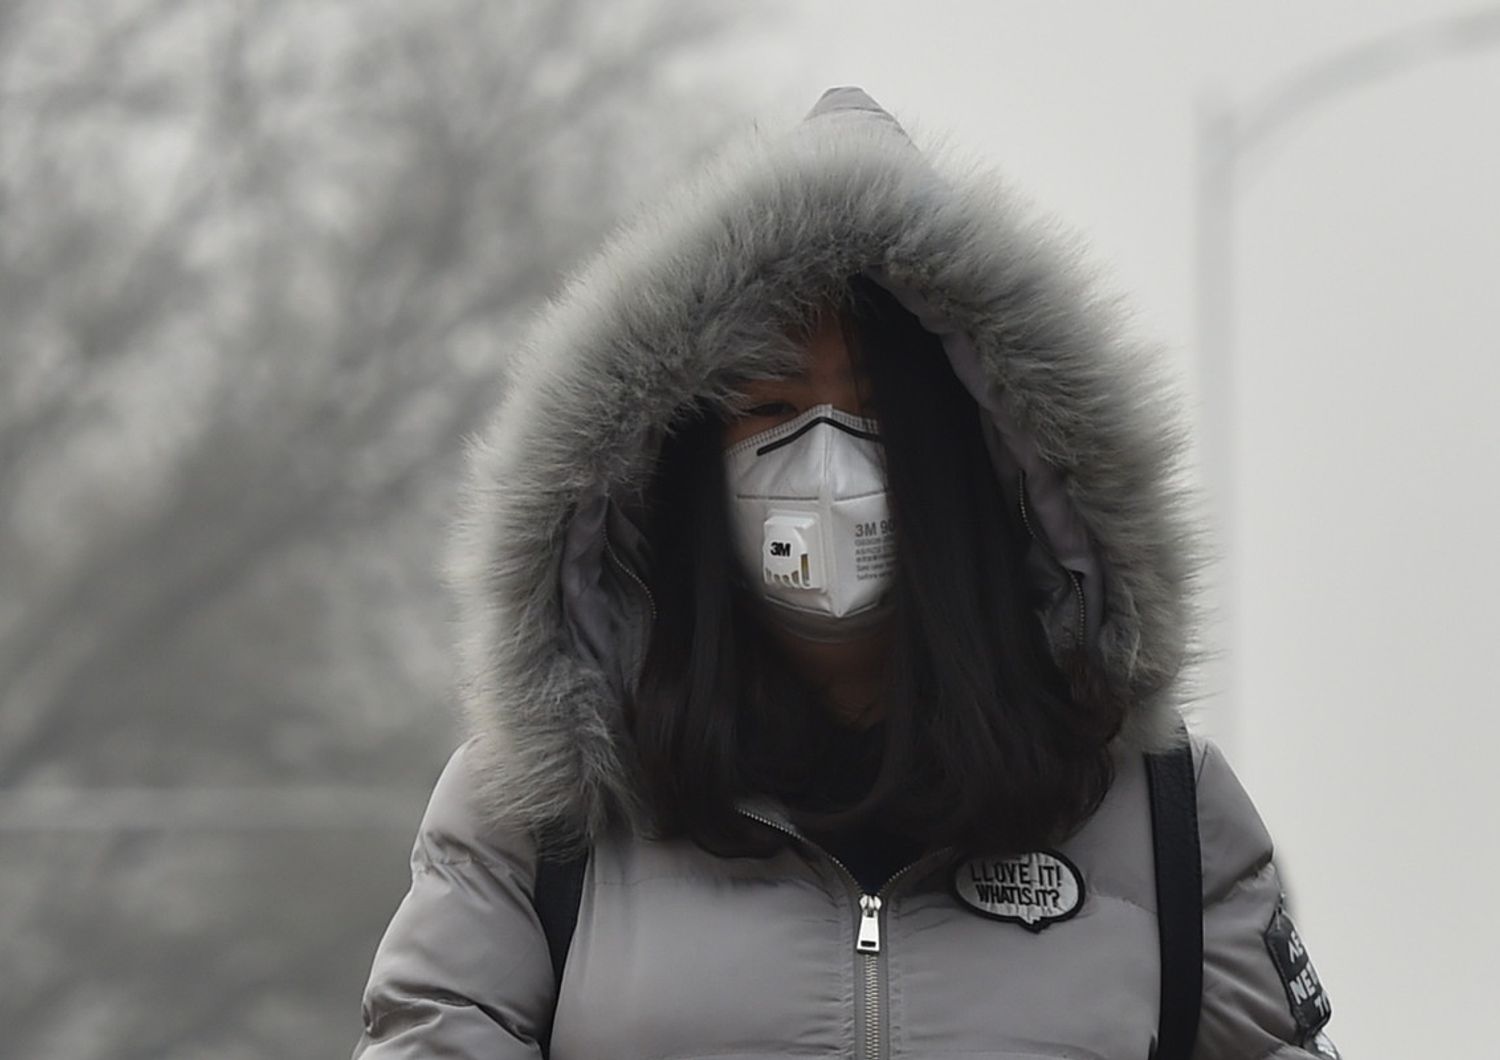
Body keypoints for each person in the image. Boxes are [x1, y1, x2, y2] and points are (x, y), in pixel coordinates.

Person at [352, 86, 1340, 1059]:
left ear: (980, 457)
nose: (824, 457)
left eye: (872, 410)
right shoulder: (540, 815)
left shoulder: (1160, 815)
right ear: (680, 464)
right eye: (771, 408)